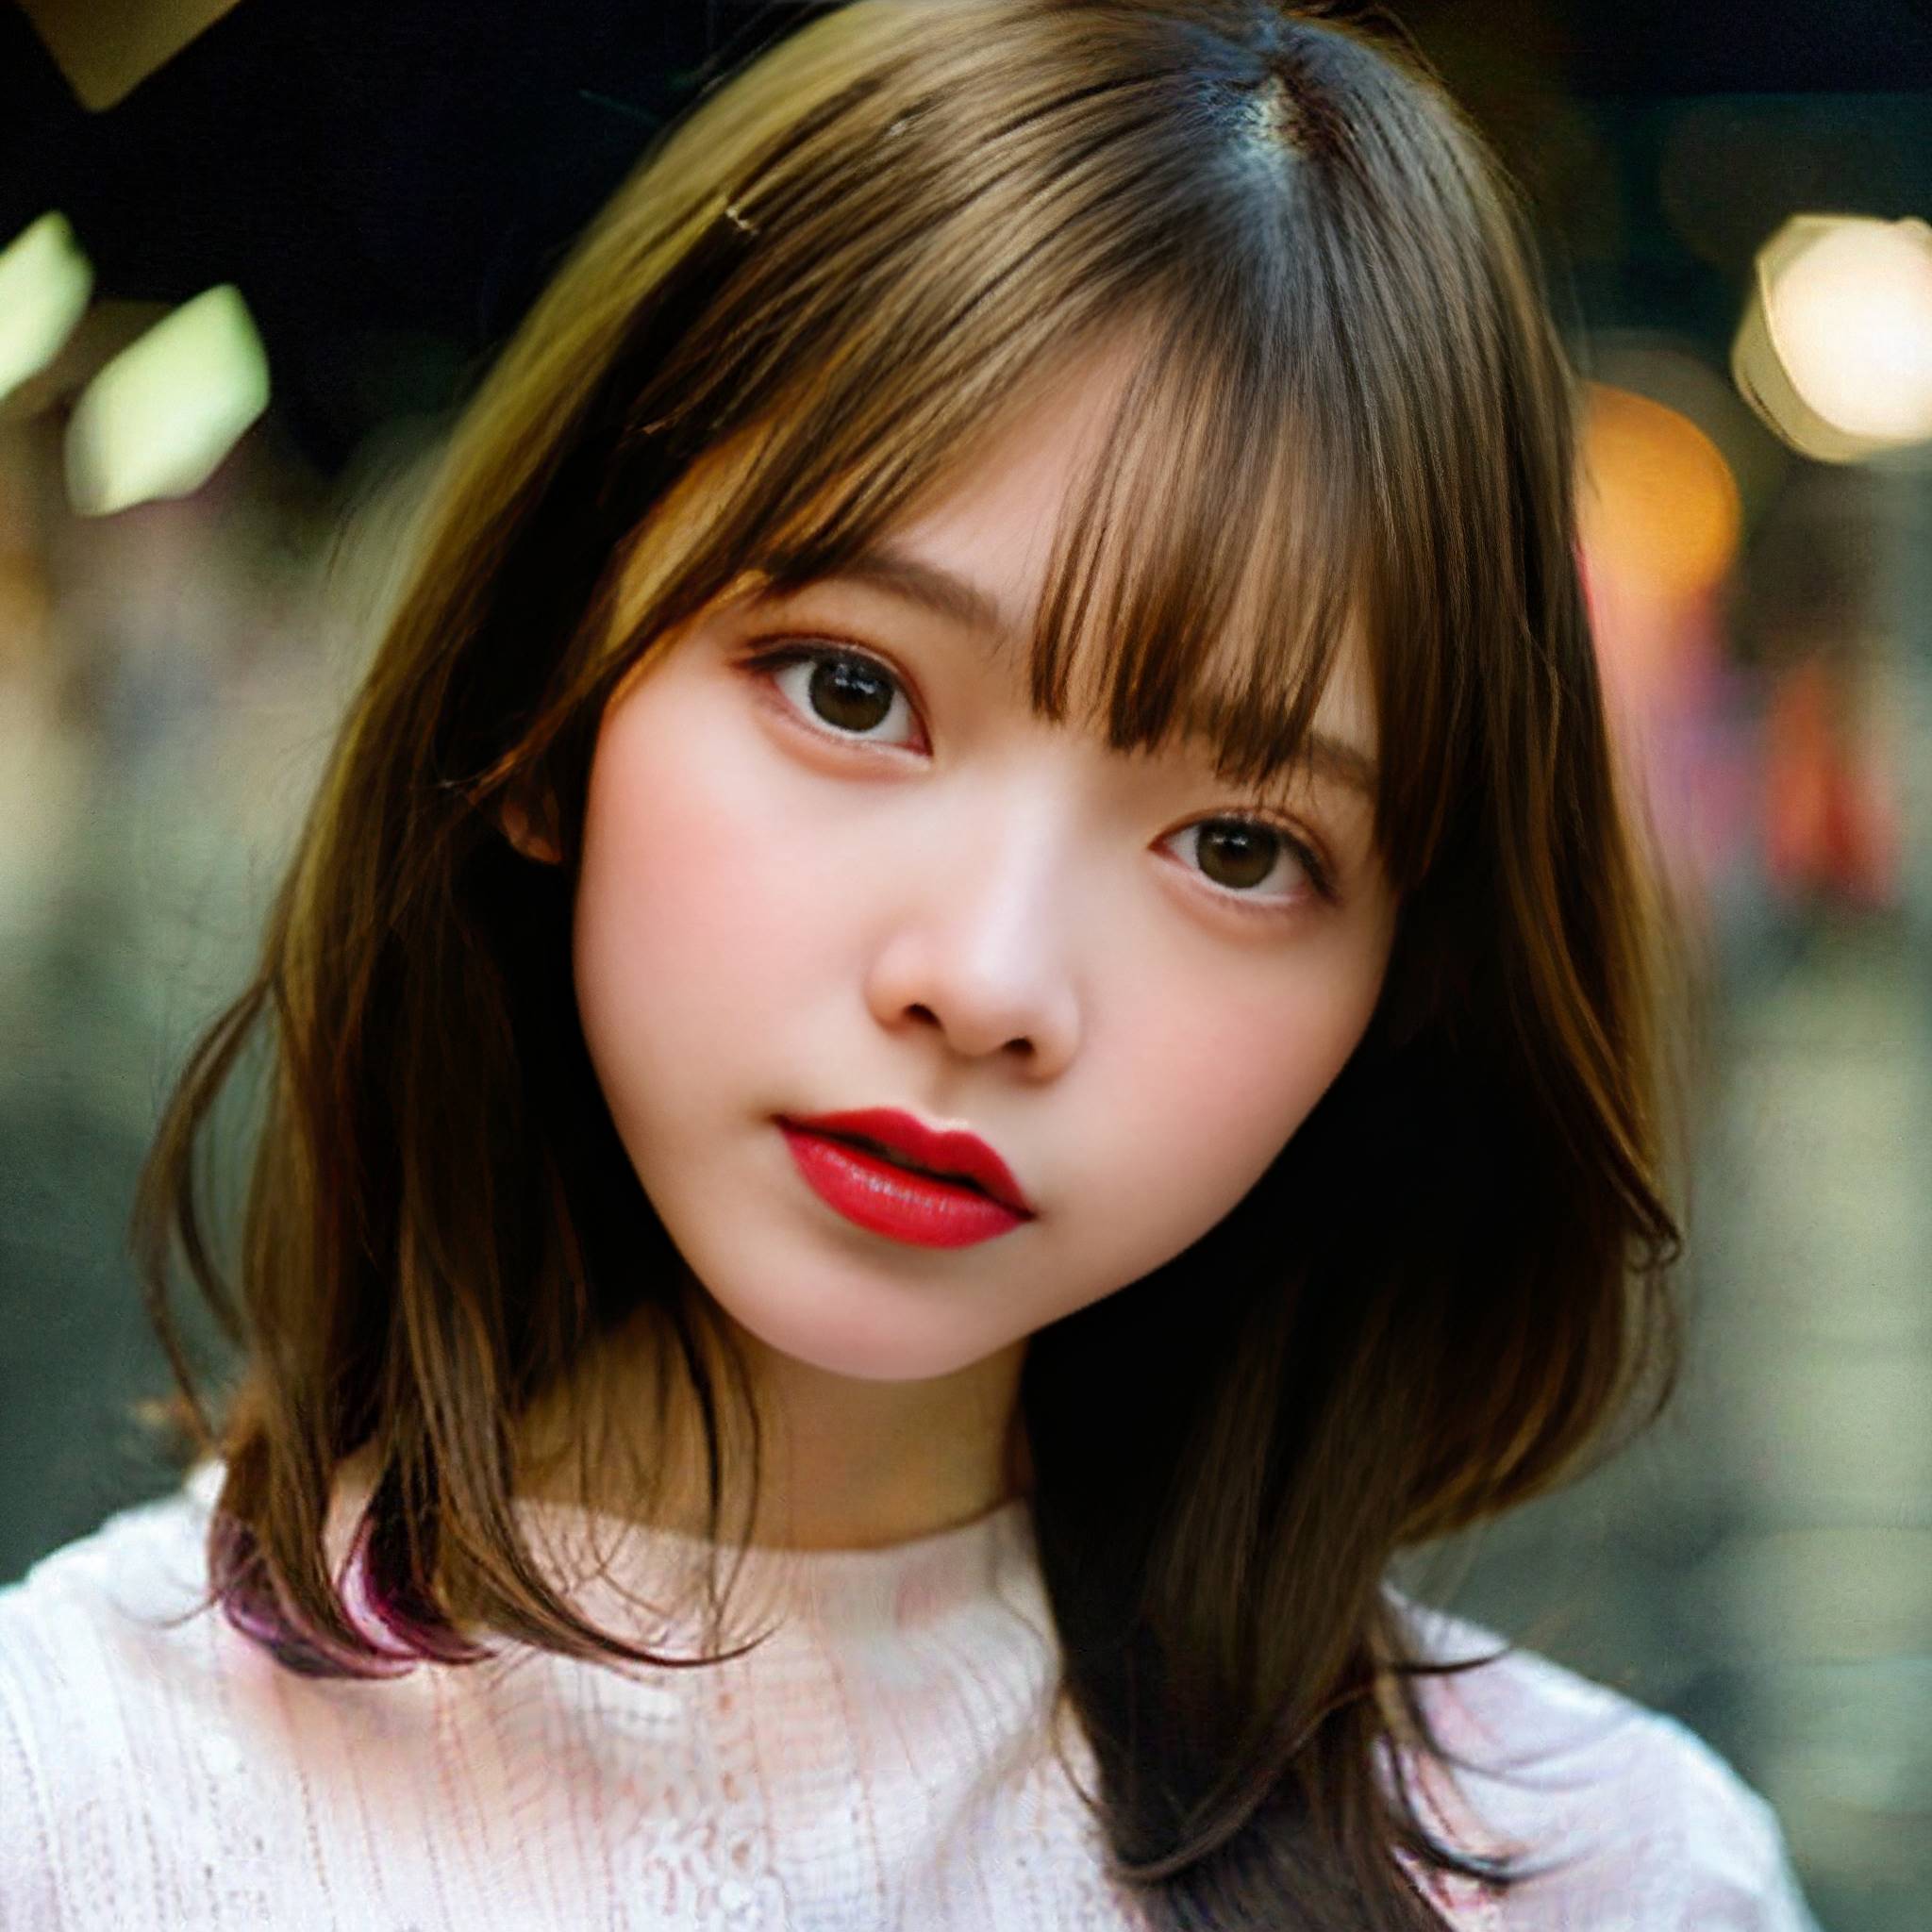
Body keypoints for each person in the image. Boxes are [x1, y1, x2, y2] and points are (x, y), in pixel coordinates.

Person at [0, 3, 1825, 1926]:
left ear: (1400, 997)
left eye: (1238, 846)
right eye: (853, 691)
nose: (987, 975)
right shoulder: (70, 1802)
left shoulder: (1602, 1877)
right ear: (547, 704)